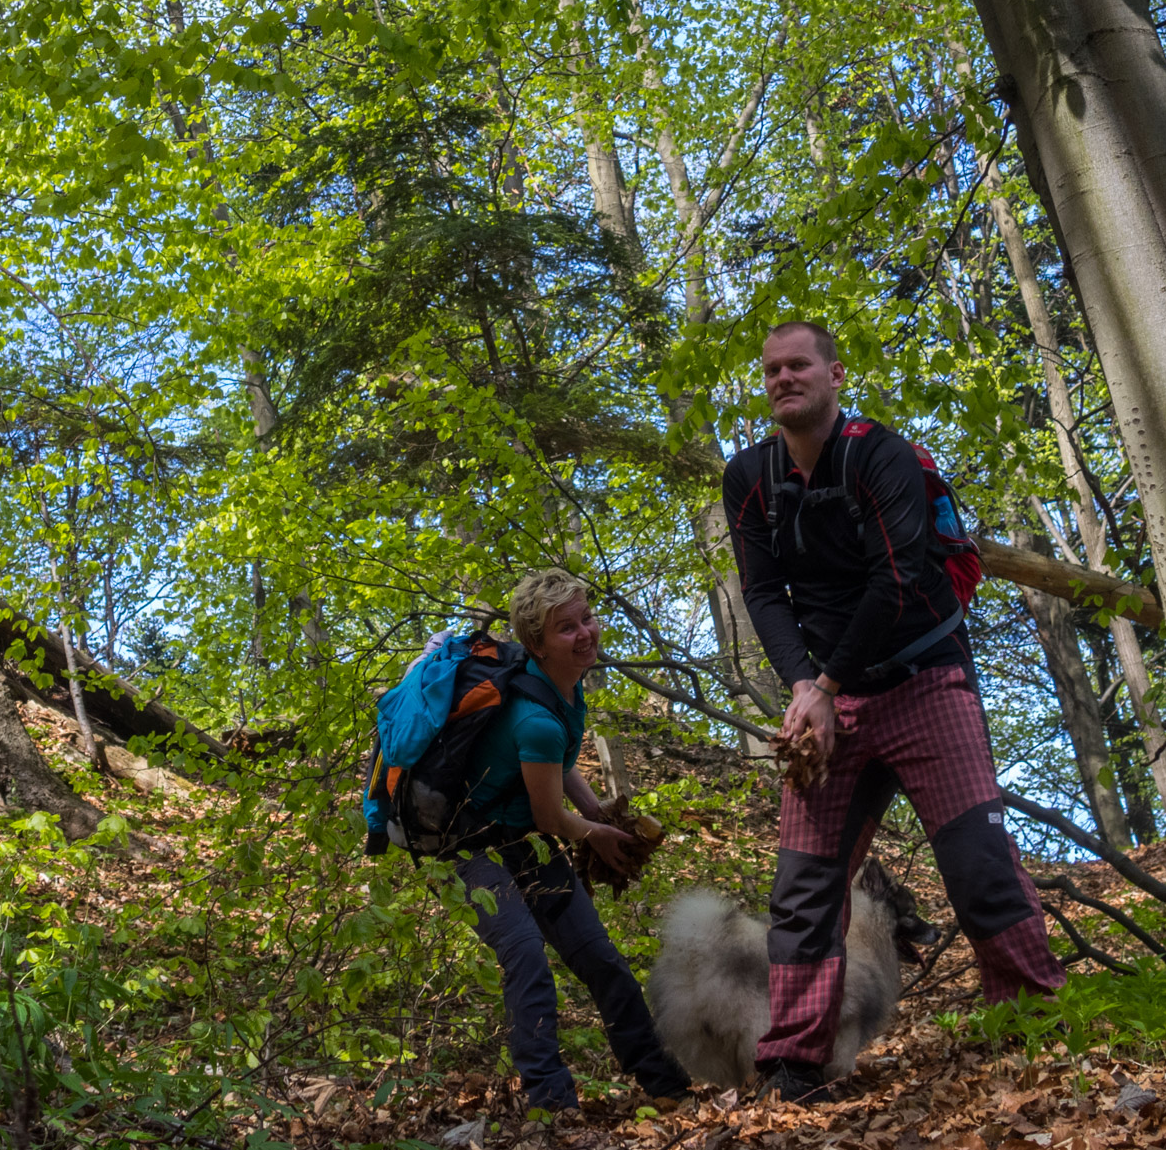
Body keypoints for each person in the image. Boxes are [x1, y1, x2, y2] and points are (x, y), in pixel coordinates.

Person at [722, 321, 1066, 1104]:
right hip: (828, 698)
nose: (782, 378)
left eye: (798, 365)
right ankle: (793, 1063)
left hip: (923, 676)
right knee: (804, 888)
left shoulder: (879, 455)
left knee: (978, 866)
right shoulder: (747, 477)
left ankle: (1037, 1027)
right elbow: (763, 593)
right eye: (771, 369)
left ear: (835, 374)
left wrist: (824, 687)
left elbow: (897, 578)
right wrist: (807, 690)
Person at [453, 568, 693, 1113]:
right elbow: (547, 815)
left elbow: (557, 768)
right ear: (536, 645)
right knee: (526, 956)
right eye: (567, 628)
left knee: (602, 961)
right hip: (468, 850)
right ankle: (551, 1105)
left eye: (587, 618)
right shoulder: (535, 716)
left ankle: (666, 1087)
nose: (585, 633)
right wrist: (595, 833)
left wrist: (595, 810)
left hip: (523, 843)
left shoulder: (565, 693)